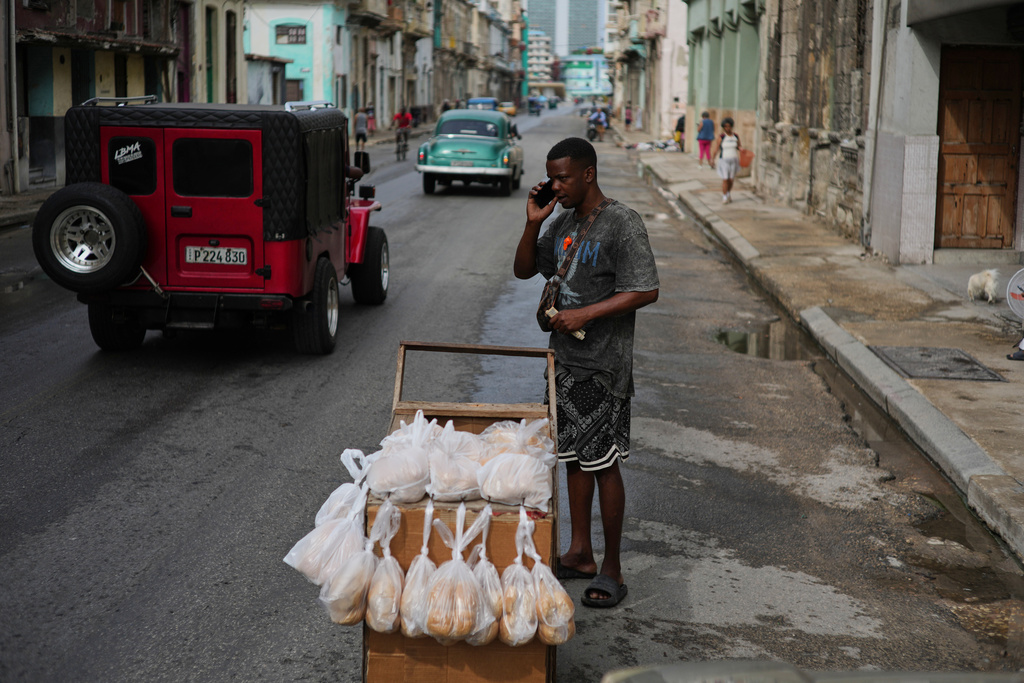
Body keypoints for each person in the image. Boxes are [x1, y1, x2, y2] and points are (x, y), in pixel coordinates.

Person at [513, 137, 660, 609]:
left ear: (588, 174)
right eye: (551, 177)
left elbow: (645, 289)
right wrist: (533, 223)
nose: (555, 186)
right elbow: (523, 271)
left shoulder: (622, 223)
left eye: (563, 178)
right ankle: (580, 552)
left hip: (603, 367)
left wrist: (586, 314)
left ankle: (612, 567)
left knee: (602, 463)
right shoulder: (561, 223)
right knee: (574, 457)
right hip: (565, 363)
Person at [709, 117, 742, 204]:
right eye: (726, 127)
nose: (728, 128)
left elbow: (739, 146)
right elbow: (716, 148)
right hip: (724, 159)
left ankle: (728, 193)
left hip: (734, 159)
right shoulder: (722, 137)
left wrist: (741, 149)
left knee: (731, 179)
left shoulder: (735, 136)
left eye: (729, 126)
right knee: (725, 179)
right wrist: (712, 159)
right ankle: (724, 196)